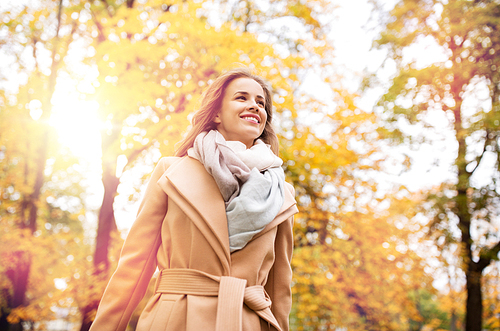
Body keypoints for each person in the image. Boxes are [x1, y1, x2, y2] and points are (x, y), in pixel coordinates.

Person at [89, 68, 299, 331]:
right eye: (242, 98)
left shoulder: (281, 193)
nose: (254, 106)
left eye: (261, 102)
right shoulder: (172, 172)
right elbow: (134, 267)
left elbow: (280, 289)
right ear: (216, 114)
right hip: (175, 320)